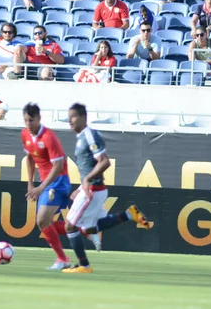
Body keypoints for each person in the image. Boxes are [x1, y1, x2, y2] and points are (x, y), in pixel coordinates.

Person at [63, 103, 151, 274]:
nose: (69, 120)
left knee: (70, 226)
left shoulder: (89, 136)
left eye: (73, 116)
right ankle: (128, 214)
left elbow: (104, 161)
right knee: (89, 228)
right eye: (69, 116)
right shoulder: (82, 137)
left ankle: (84, 266)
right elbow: (89, 166)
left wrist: (87, 180)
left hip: (93, 189)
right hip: (91, 189)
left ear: (83, 117)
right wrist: (82, 186)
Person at [21, 103, 73, 270]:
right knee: (45, 222)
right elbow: (29, 158)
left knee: (42, 220)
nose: (28, 124)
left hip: (58, 180)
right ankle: (84, 230)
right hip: (46, 182)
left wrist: (41, 187)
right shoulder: (25, 134)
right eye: (26, 120)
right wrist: (30, 183)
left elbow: (58, 166)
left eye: (31, 120)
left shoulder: (49, 137)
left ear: (39, 119)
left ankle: (63, 259)